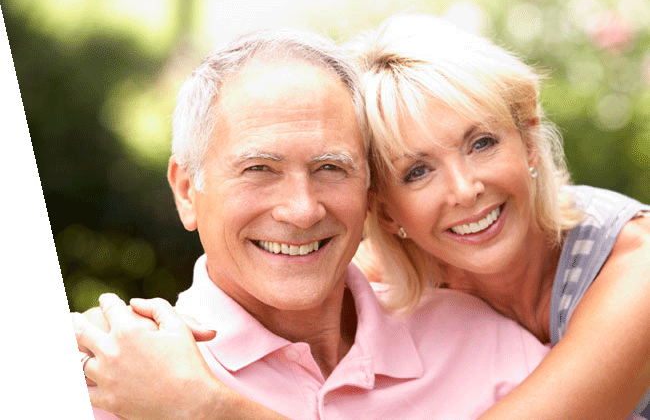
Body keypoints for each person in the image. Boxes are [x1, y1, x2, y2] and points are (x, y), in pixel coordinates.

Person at [72, 27, 551, 420]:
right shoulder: (113, 384)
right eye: (259, 169)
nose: (302, 210)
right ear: (185, 191)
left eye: (330, 168)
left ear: (368, 192)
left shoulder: (477, 339)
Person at [350, 13, 650, 420]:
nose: (464, 189)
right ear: (384, 212)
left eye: (481, 143)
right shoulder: (376, 282)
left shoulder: (638, 264)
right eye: (417, 171)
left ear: (528, 140)